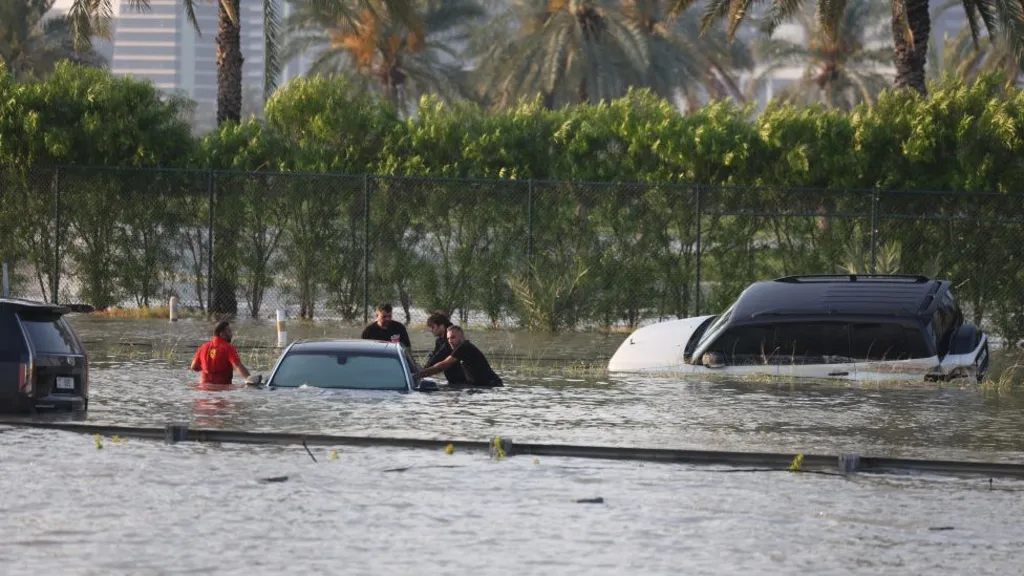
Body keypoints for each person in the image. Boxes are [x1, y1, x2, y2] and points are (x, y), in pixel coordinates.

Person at [418, 325, 503, 387]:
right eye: (448, 339)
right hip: (485, 386)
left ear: (462, 337)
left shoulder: (464, 347)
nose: (450, 341)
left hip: (492, 386)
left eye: (453, 337)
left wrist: (417, 375)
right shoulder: (463, 347)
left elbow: (441, 366)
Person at [190, 320, 251, 385]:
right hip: (222, 389)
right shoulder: (228, 347)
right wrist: (249, 378)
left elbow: (194, 367)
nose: (231, 334)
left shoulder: (203, 347)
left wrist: (207, 368)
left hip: (203, 389)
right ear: (222, 334)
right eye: (229, 331)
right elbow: (237, 366)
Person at [423, 312, 467, 385]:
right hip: (453, 381)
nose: (431, 330)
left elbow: (439, 356)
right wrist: (424, 368)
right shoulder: (439, 340)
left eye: (433, 327)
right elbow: (434, 356)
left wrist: (421, 373)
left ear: (441, 326)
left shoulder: (451, 340)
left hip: (464, 381)